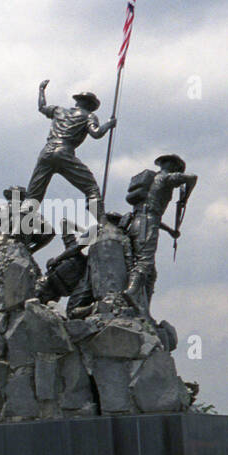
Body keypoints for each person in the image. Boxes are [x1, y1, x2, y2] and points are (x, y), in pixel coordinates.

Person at [26, 80, 116, 221]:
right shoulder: (89, 116)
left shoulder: (59, 110)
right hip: (63, 153)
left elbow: (42, 107)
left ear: (77, 102)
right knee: (91, 188)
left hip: (46, 152)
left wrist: (41, 90)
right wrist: (109, 125)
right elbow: (96, 133)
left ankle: (17, 229)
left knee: (33, 195)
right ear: (90, 105)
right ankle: (102, 223)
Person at [124, 155, 196, 315]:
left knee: (150, 274)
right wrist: (185, 197)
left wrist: (170, 231)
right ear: (172, 166)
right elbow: (192, 177)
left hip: (137, 223)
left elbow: (151, 213)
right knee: (145, 263)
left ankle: (144, 309)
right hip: (147, 224)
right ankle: (131, 292)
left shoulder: (152, 181)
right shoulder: (165, 178)